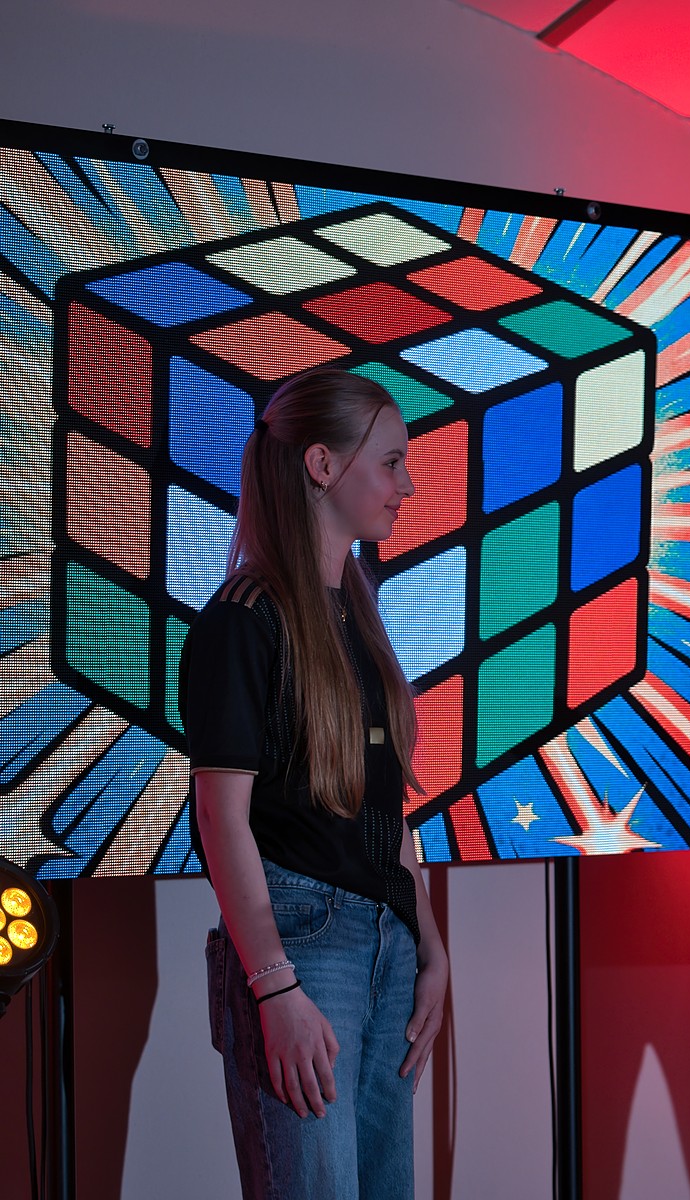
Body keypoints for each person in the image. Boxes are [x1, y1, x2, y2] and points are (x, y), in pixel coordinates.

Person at [182, 367, 449, 1198]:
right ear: (323, 465)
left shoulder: (358, 616)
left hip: (386, 947)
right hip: (302, 947)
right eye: (392, 463)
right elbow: (220, 821)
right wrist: (274, 985)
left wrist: (429, 946)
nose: (407, 486)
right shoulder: (243, 618)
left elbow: (383, 812)